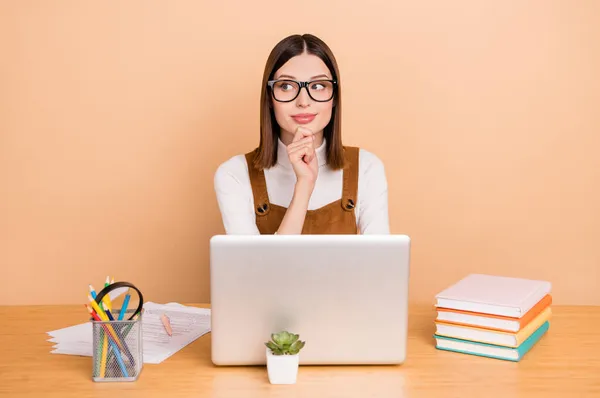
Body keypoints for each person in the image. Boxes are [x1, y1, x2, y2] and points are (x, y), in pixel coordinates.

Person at [214, 33, 389, 235]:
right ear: (270, 98)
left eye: (318, 86)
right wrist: (304, 185)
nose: (303, 101)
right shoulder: (235, 174)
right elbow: (258, 267)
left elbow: (380, 264)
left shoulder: (367, 168)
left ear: (334, 97)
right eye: (287, 86)